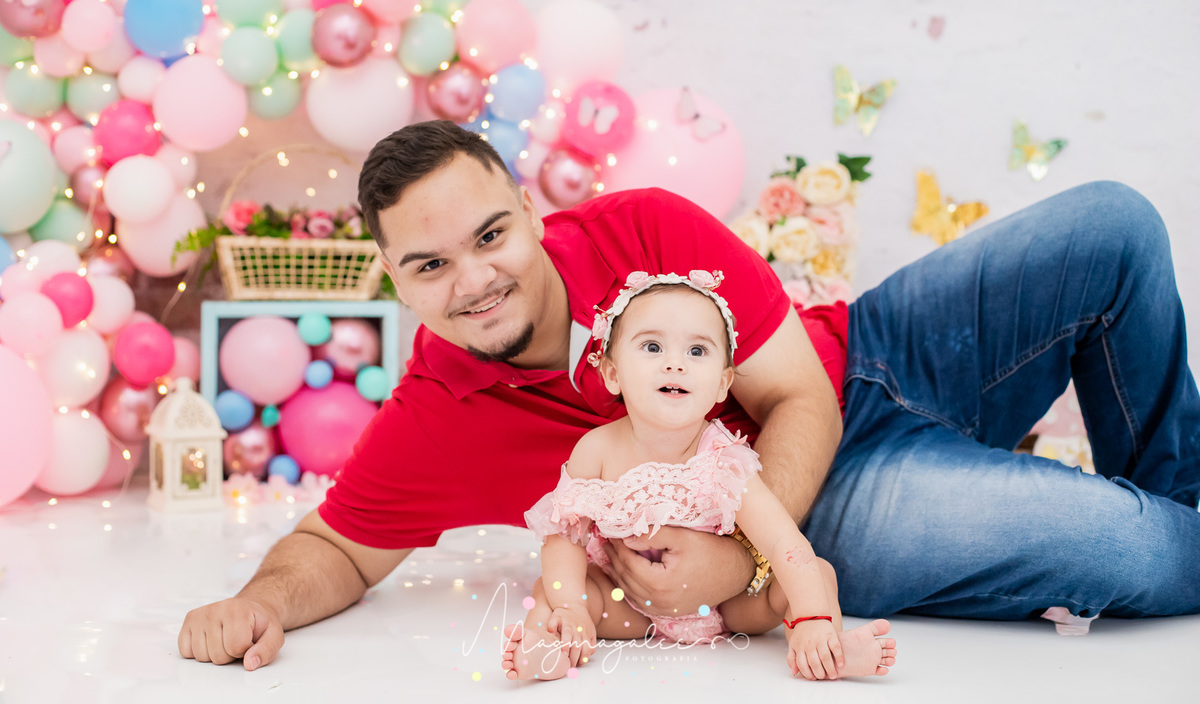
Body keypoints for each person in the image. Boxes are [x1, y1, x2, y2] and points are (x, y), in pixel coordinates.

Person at [178, 120, 1200, 672]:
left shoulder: (641, 228)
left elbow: (798, 392)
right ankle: (1161, 536)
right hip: (838, 510)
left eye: (490, 236)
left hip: (866, 360)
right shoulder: (436, 413)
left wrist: (739, 558)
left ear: (528, 210)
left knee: (1111, 225)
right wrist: (257, 602)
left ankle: (1175, 497)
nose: (476, 279)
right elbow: (336, 548)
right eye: (431, 265)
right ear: (394, 281)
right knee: (1138, 553)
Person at [500, 270, 897, 681]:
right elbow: (565, 535)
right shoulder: (596, 451)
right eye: (652, 346)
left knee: (816, 574)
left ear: (723, 384)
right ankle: (551, 646)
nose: (675, 363)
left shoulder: (724, 458)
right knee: (553, 589)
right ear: (612, 374)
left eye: (697, 351)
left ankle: (824, 643)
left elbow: (783, 542)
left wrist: (812, 613)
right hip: (626, 603)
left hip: (727, 606)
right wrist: (572, 606)